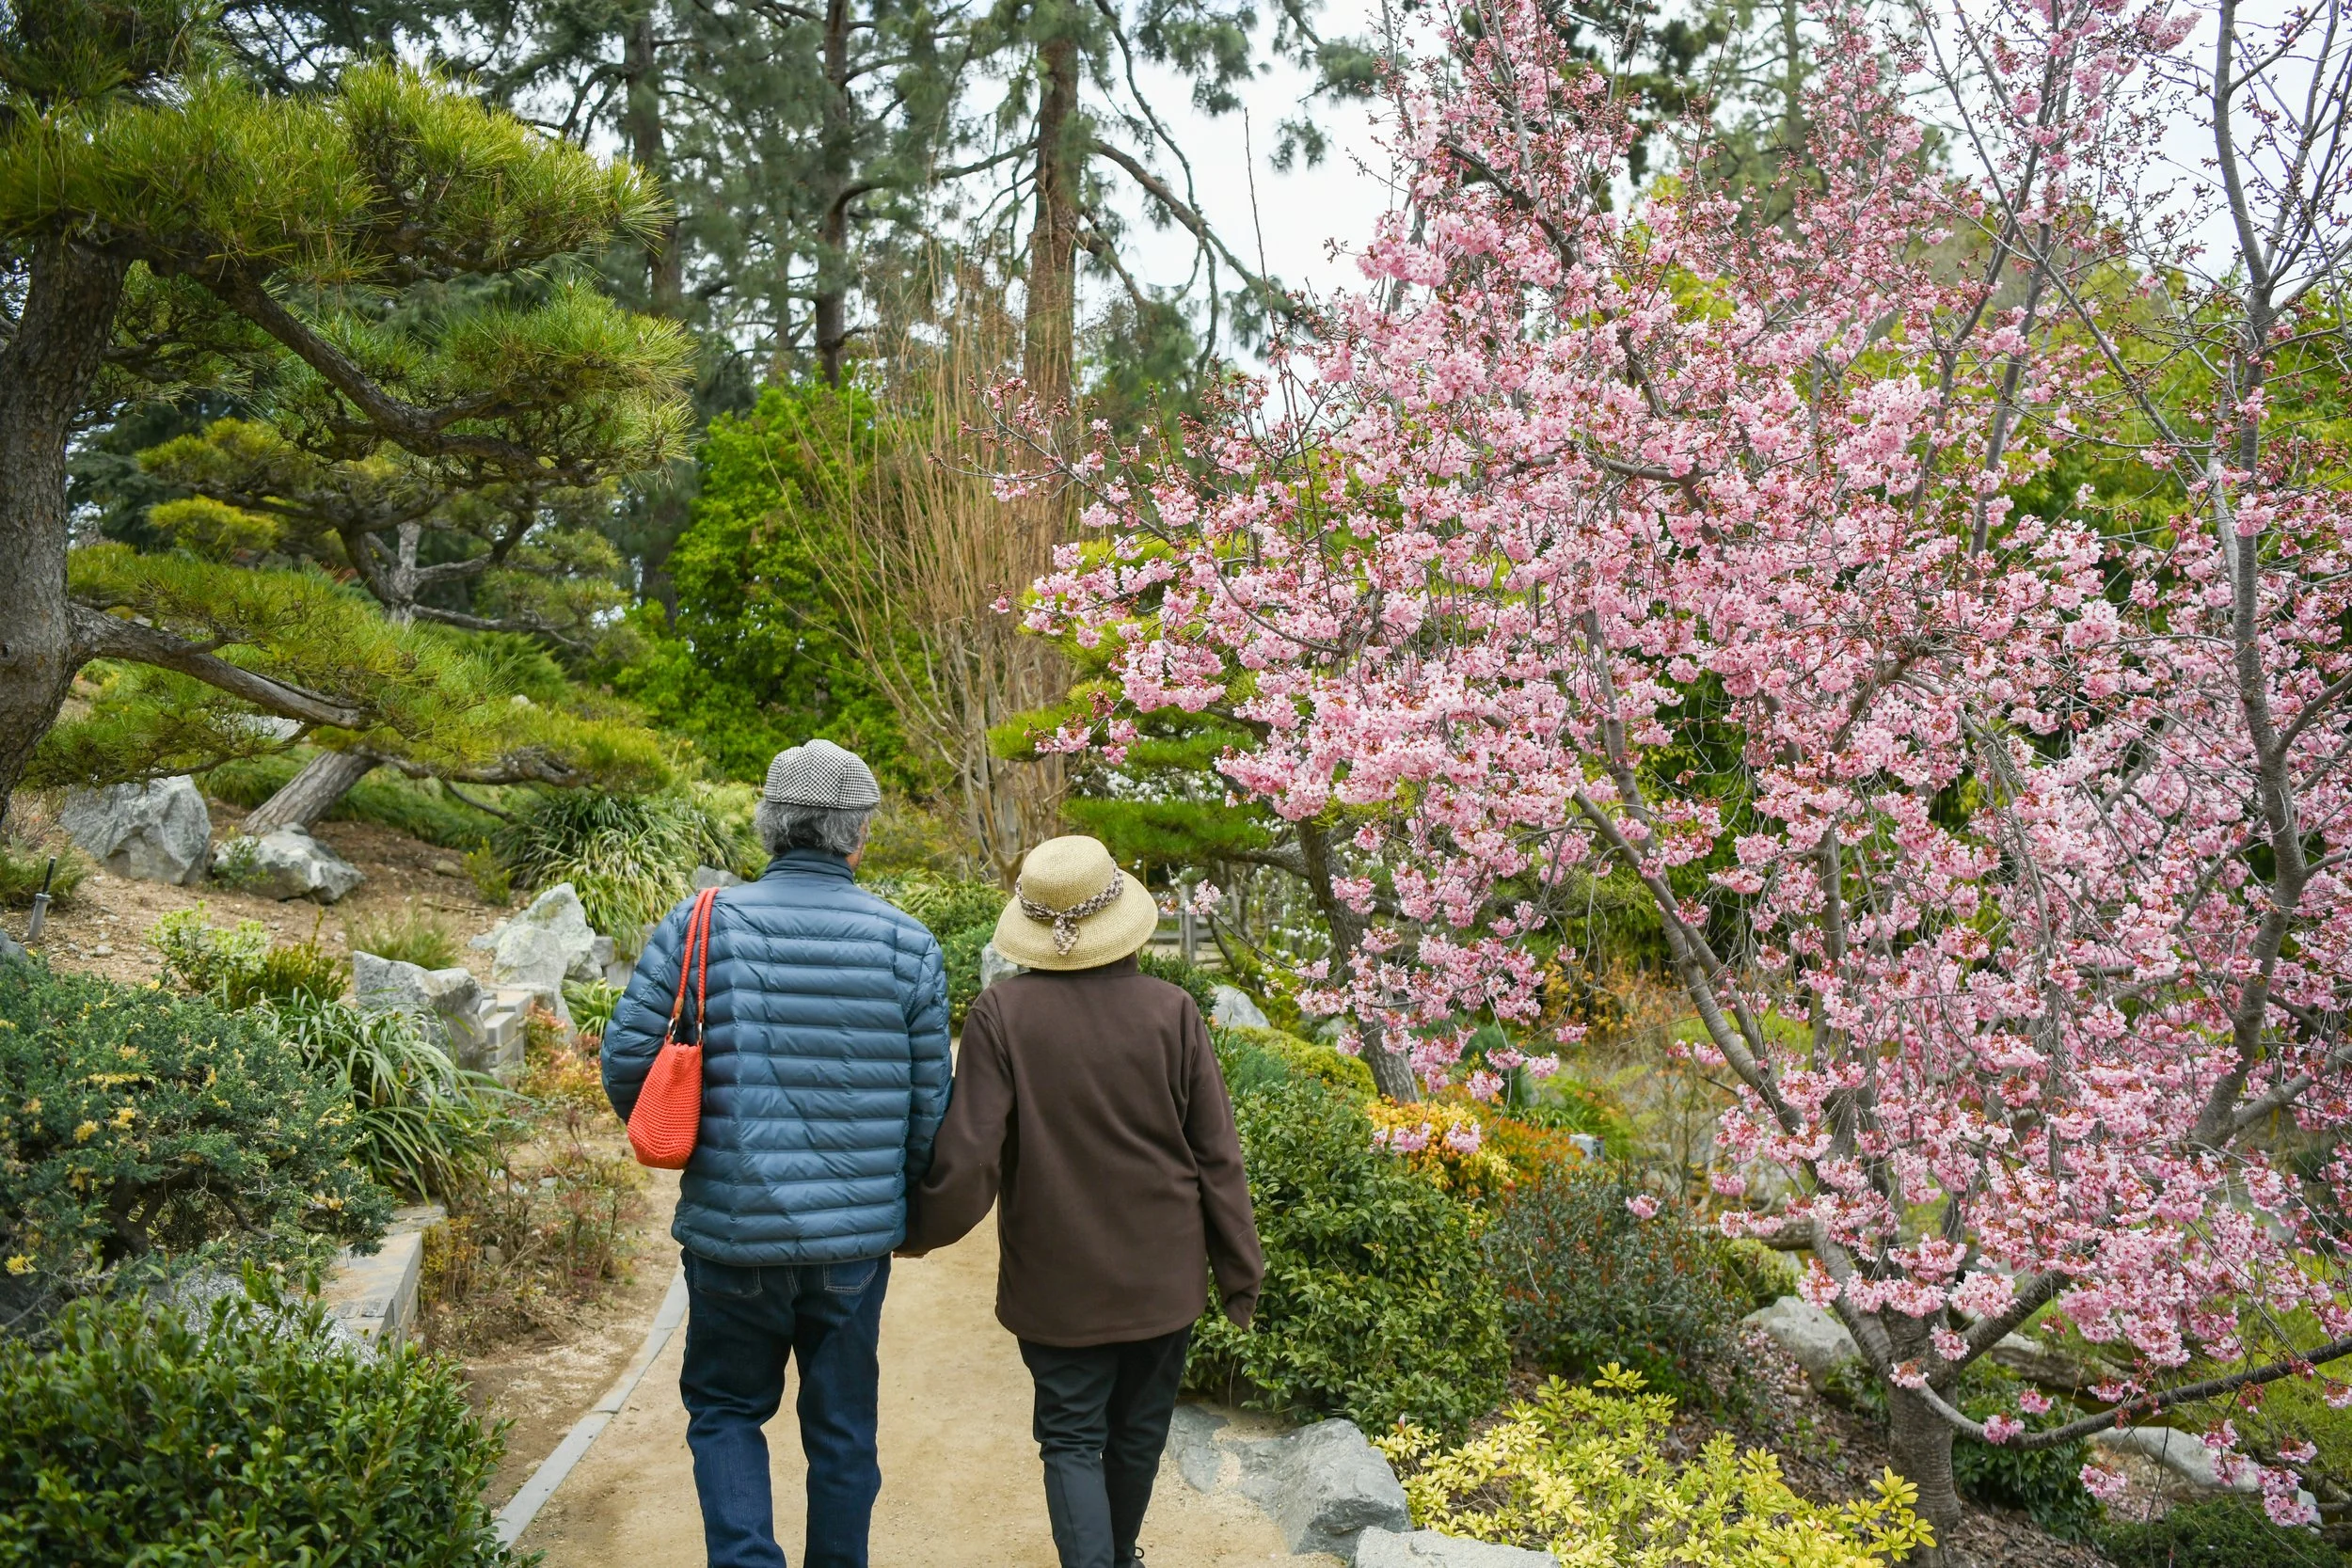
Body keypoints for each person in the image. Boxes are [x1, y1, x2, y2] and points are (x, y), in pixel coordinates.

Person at [602, 739, 951, 1568]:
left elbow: (626, 1058)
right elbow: (929, 1108)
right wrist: (893, 1203)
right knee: (843, 1433)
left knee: (725, 1409)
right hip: (853, 1245)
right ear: (858, 836)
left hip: (731, 1230)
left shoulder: (701, 921)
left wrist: (697, 1144)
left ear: (768, 826)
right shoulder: (909, 944)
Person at [901, 834, 1263, 1568]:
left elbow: (971, 1155)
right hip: (1162, 1274)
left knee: (1070, 1435)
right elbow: (1217, 1153)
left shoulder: (1002, 1016)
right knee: (1138, 1432)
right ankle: (1118, 1553)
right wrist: (1238, 1270)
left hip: (1055, 1277)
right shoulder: (1173, 1012)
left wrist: (916, 1229)